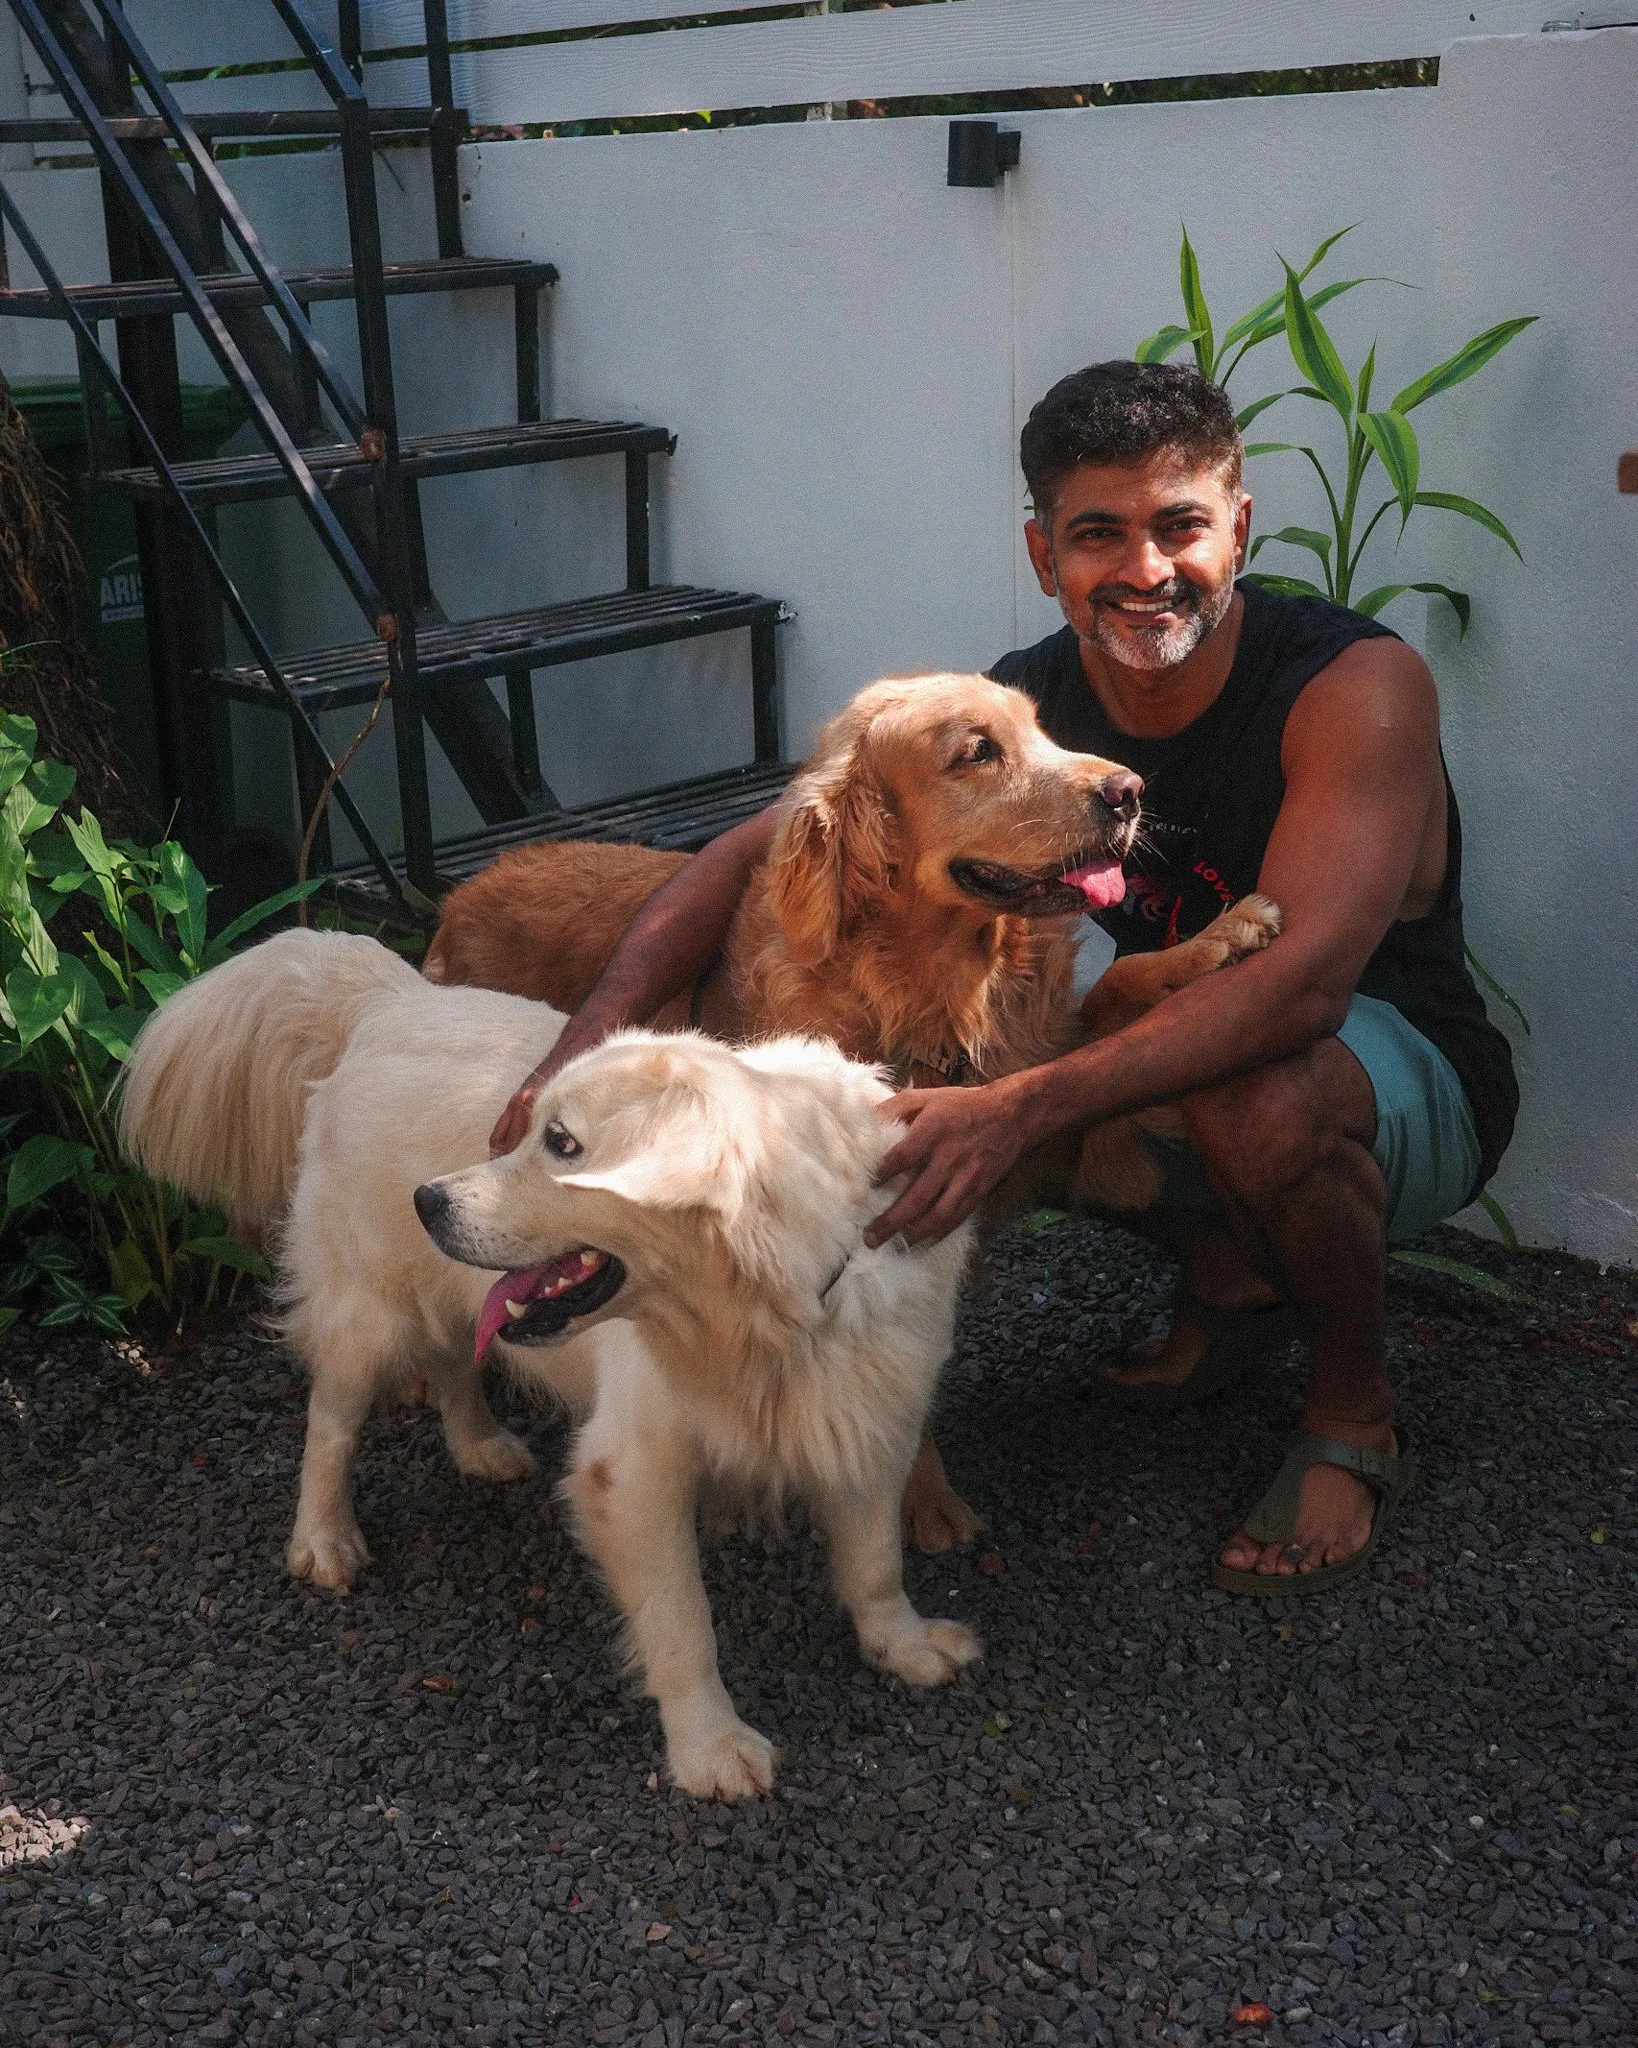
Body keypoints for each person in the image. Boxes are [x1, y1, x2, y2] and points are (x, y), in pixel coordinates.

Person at [490, 360, 1517, 1596]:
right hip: (1180, 1042)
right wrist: (583, 1039)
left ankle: (1354, 1413)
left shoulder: (1353, 687)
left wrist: (1019, 1105)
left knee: (1242, 1089)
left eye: (1180, 525)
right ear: (1045, 554)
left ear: (1240, 527)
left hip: (1378, 1053)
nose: (1145, 567)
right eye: (1099, 534)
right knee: (1018, 1073)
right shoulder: (1028, 694)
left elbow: (1298, 991)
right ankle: (1238, 1277)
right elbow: (747, 850)